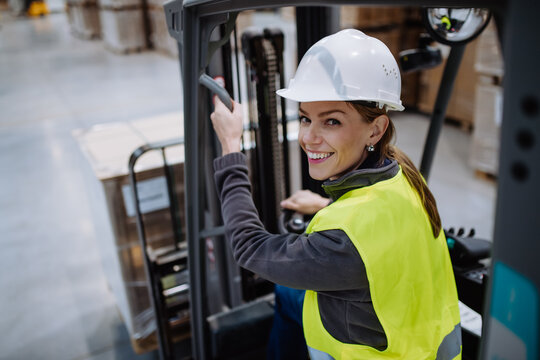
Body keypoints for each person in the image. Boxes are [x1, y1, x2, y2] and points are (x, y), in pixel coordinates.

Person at [210, 29, 461, 359]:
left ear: (376, 128)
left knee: (286, 293)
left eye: (331, 122)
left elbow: (248, 247)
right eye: (305, 118)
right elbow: (376, 229)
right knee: (288, 292)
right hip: (419, 341)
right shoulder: (406, 178)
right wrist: (324, 205)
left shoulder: (341, 243)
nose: (309, 138)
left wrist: (230, 146)